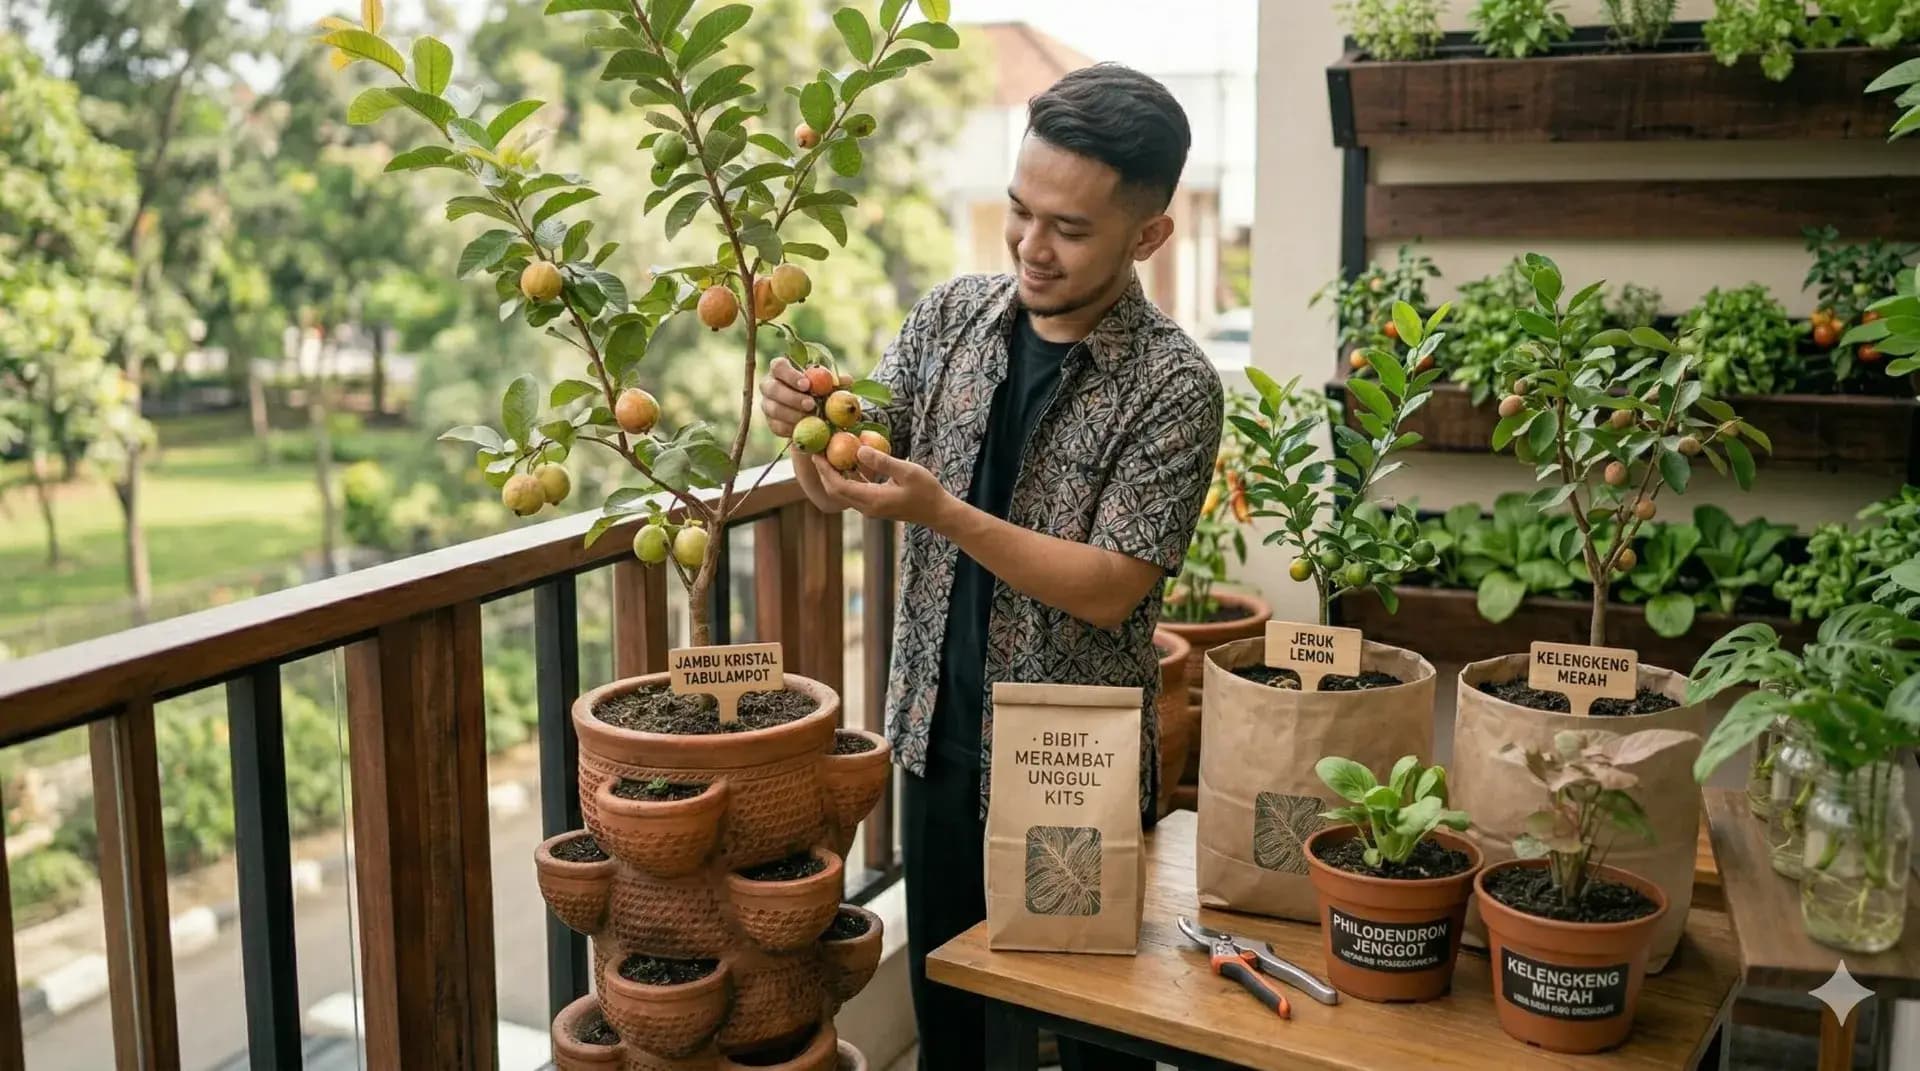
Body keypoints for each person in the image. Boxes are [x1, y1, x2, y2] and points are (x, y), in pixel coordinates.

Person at [759, 62, 1223, 1071]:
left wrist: (946, 512)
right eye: (1020, 211)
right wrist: (806, 429)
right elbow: (846, 476)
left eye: (1069, 227)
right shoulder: (949, 318)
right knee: (953, 1027)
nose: (1031, 246)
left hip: (1073, 761)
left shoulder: (1176, 384)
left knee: (1097, 1027)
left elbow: (1112, 586)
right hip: (934, 732)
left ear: (1148, 236)